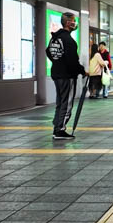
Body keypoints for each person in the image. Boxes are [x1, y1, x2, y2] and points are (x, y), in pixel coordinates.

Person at [46, 12, 86, 140]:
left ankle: (56, 128)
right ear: (68, 23)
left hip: (56, 74)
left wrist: (57, 62)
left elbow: (48, 52)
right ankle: (60, 130)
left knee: (60, 102)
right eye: (73, 21)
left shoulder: (54, 38)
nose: (75, 23)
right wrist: (82, 71)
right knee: (67, 103)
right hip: (67, 76)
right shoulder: (69, 41)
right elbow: (72, 61)